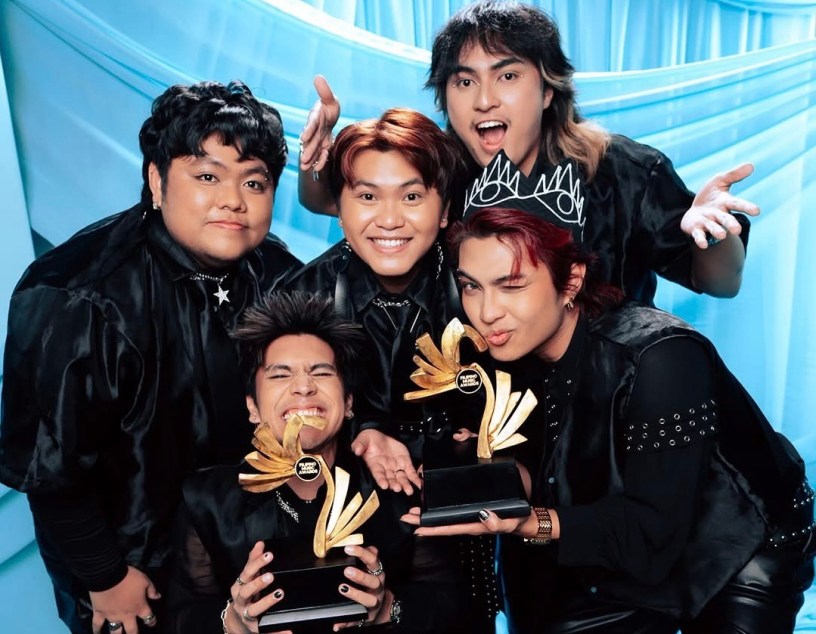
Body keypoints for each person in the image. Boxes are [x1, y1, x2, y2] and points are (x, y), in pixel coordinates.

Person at [402, 202, 815, 633]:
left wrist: (530, 522)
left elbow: (655, 533)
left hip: (736, 543)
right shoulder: (506, 348)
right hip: (616, 534)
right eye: (471, 286)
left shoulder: (660, 356)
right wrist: (472, 471)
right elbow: (544, 468)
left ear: (571, 281)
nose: (487, 312)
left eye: (511, 285)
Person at [0, 80, 301, 634]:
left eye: (254, 182)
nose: (233, 200)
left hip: (253, 557)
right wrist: (104, 576)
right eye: (207, 176)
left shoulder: (279, 274)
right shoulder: (77, 295)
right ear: (157, 180)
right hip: (134, 572)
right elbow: (51, 469)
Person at [298, 0, 758, 304]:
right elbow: (334, 201)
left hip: (607, 395)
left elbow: (721, 284)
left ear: (547, 90)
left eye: (507, 76)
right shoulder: (443, 165)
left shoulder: (625, 170)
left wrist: (715, 231)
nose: (484, 100)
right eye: (464, 81)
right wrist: (315, 161)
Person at [287, 109, 501, 629]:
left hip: (458, 534)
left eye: (411, 196)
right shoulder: (299, 297)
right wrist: (360, 430)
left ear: (444, 209)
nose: (389, 219)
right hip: (338, 535)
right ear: (339, 209)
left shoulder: (483, 287)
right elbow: (272, 429)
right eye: (367, 196)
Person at [166, 291, 472, 633]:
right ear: (252, 407)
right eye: (280, 375)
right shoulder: (206, 500)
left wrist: (387, 606)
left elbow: (452, 604)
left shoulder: (398, 489)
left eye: (321, 372)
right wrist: (232, 621)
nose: (303, 387)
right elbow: (178, 616)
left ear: (350, 402)